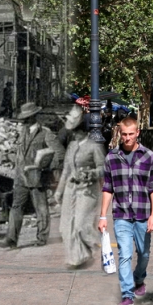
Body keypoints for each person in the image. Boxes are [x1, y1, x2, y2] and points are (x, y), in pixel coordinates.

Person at [98, 117, 153, 305]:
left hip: (143, 214)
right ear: (120, 133)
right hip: (121, 215)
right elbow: (107, 188)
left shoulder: (149, 156)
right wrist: (102, 216)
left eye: (131, 134)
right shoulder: (112, 158)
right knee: (124, 255)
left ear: (137, 133)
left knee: (144, 254)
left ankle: (139, 279)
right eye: (124, 134)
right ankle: (127, 294)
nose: (127, 138)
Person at [54, 106, 104, 268]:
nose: (74, 134)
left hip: (88, 190)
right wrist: (59, 191)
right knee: (66, 226)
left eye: (76, 131)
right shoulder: (72, 146)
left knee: (81, 225)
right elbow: (66, 170)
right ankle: (77, 257)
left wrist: (91, 173)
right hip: (71, 189)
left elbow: (103, 168)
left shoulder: (94, 146)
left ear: (83, 130)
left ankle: (94, 247)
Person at [0, 102, 54, 249]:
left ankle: (42, 238)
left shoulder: (45, 133)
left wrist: (43, 167)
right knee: (16, 206)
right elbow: (19, 154)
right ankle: (11, 238)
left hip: (37, 177)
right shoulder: (23, 131)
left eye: (27, 118)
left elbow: (56, 154)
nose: (24, 121)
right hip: (20, 177)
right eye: (24, 118)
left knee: (41, 208)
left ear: (34, 116)